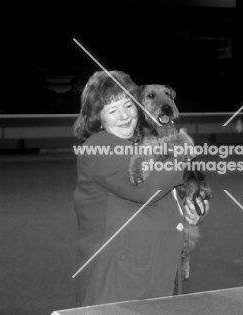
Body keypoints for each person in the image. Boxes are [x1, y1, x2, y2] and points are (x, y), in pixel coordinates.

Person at [72, 70, 209, 306]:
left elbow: (167, 193)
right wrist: (182, 156)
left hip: (152, 273)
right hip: (119, 280)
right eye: (113, 111)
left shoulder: (137, 144)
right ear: (98, 117)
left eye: (128, 106)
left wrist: (191, 211)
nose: (124, 116)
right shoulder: (99, 146)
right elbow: (145, 191)